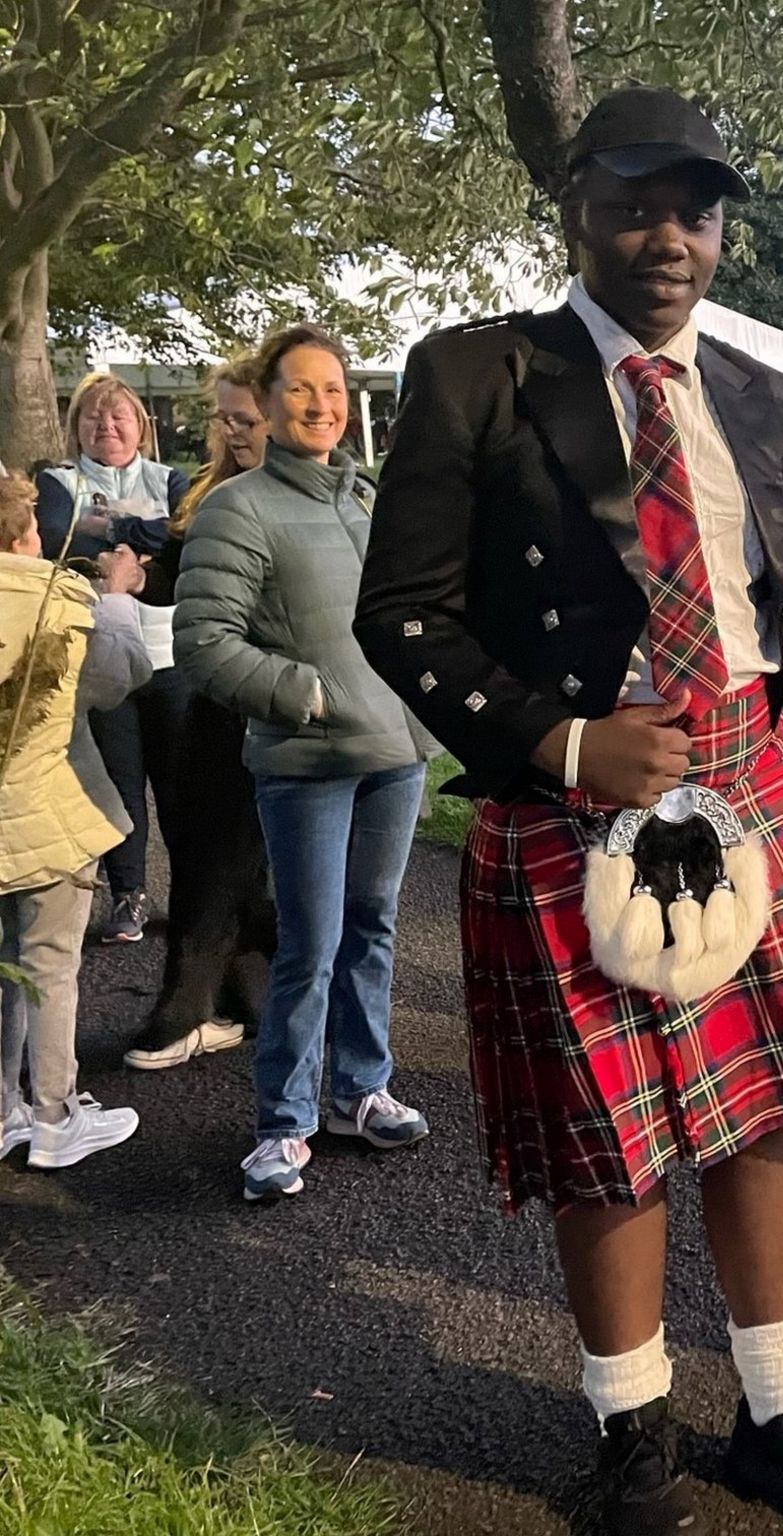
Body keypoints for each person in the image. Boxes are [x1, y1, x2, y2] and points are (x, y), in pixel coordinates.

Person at [354, 88, 783, 1534]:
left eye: (698, 209)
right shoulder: (478, 374)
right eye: (639, 201)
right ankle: (633, 1433)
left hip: (756, 772)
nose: (672, 235)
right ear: (577, 206)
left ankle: (782, 1413)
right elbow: (400, 616)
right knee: (614, 1129)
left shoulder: (760, 396)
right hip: (582, 784)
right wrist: (562, 740)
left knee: (771, 1110)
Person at [176, 324, 433, 1202]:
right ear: (266, 398)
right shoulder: (238, 507)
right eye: (300, 389)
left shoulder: (367, 500)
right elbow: (203, 641)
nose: (321, 405)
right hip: (307, 760)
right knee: (310, 945)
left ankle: (360, 1089)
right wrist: (306, 694)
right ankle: (284, 1124)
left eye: (332, 390)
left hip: (396, 754)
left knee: (374, 924)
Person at [113, 359, 278, 1071]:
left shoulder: (296, 493)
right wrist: (136, 577)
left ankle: (193, 1004)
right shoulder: (212, 489)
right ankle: (243, 996)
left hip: (267, 696)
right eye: (224, 418)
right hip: (211, 693)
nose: (231, 431)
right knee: (211, 845)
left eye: (245, 418)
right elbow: (178, 576)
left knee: (229, 853)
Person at [1, 470, 153, 1167]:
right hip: (47, 815)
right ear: (24, 532)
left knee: (6, 970)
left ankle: (6, 1107)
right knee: (50, 965)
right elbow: (119, 677)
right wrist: (115, 597)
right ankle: (57, 1114)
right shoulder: (56, 599)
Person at [35, 376, 191, 947]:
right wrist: (135, 543)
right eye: (92, 419)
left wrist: (110, 533)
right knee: (120, 785)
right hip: (101, 658)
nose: (107, 427)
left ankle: (191, 896)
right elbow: (59, 539)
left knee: (180, 784)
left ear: (141, 425)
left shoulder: (171, 478)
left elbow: (178, 539)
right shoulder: (59, 481)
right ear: (76, 428)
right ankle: (129, 895)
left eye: (119, 416)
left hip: (170, 656)